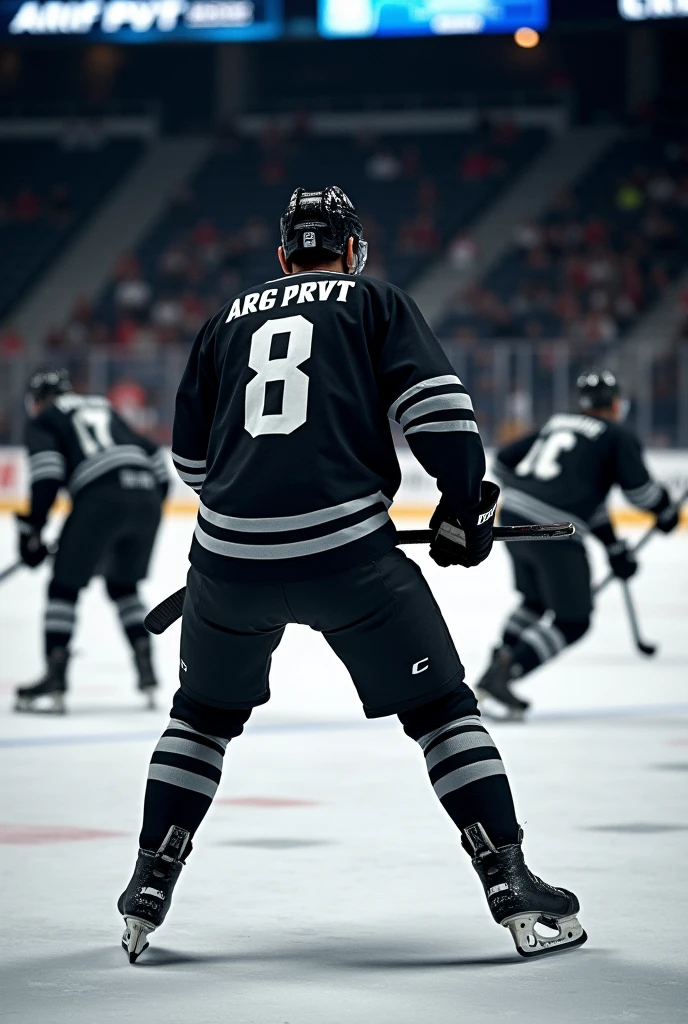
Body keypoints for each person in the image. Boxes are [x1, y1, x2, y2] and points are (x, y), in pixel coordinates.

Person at [118, 187, 586, 964]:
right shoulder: (372, 299)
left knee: (200, 718)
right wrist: (464, 506)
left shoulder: (223, 318)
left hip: (227, 562)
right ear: (351, 250)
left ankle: (147, 885)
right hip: (350, 561)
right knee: (441, 710)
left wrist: (261, 512)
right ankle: (508, 877)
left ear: (281, 257)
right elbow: (440, 412)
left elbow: (192, 462)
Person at [478, 370, 680, 718]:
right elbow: (641, 493)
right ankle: (506, 675)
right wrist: (665, 510)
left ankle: (493, 670)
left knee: (534, 601)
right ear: (616, 404)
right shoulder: (616, 436)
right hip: (553, 528)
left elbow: (504, 460)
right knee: (574, 620)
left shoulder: (560, 423)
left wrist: (613, 546)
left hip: (511, 517)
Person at [14, 370, 169, 714]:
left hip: (99, 497)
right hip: (146, 497)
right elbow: (156, 460)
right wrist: (141, 504)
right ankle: (146, 668)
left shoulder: (46, 418)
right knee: (123, 586)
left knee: (63, 589)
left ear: (37, 401)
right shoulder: (104, 406)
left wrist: (33, 531)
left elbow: (47, 473)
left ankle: (55, 675)